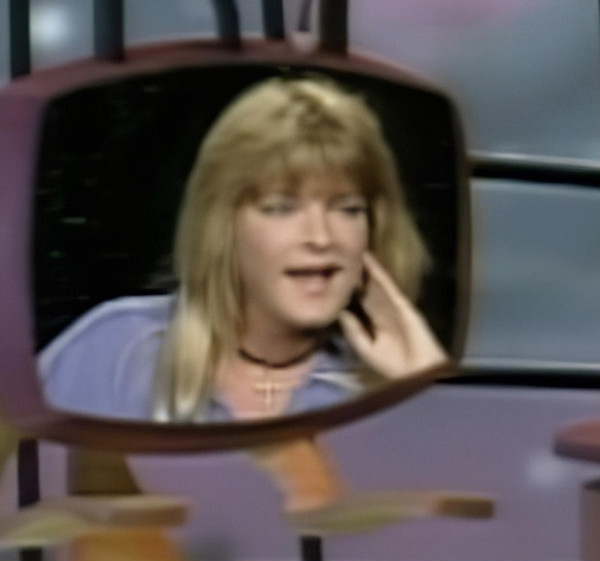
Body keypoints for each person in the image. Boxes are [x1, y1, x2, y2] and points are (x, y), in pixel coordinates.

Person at [39, 75, 448, 422]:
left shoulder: (386, 388)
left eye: (348, 209)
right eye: (281, 208)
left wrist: (423, 386)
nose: (322, 237)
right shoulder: (112, 350)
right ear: (223, 226)